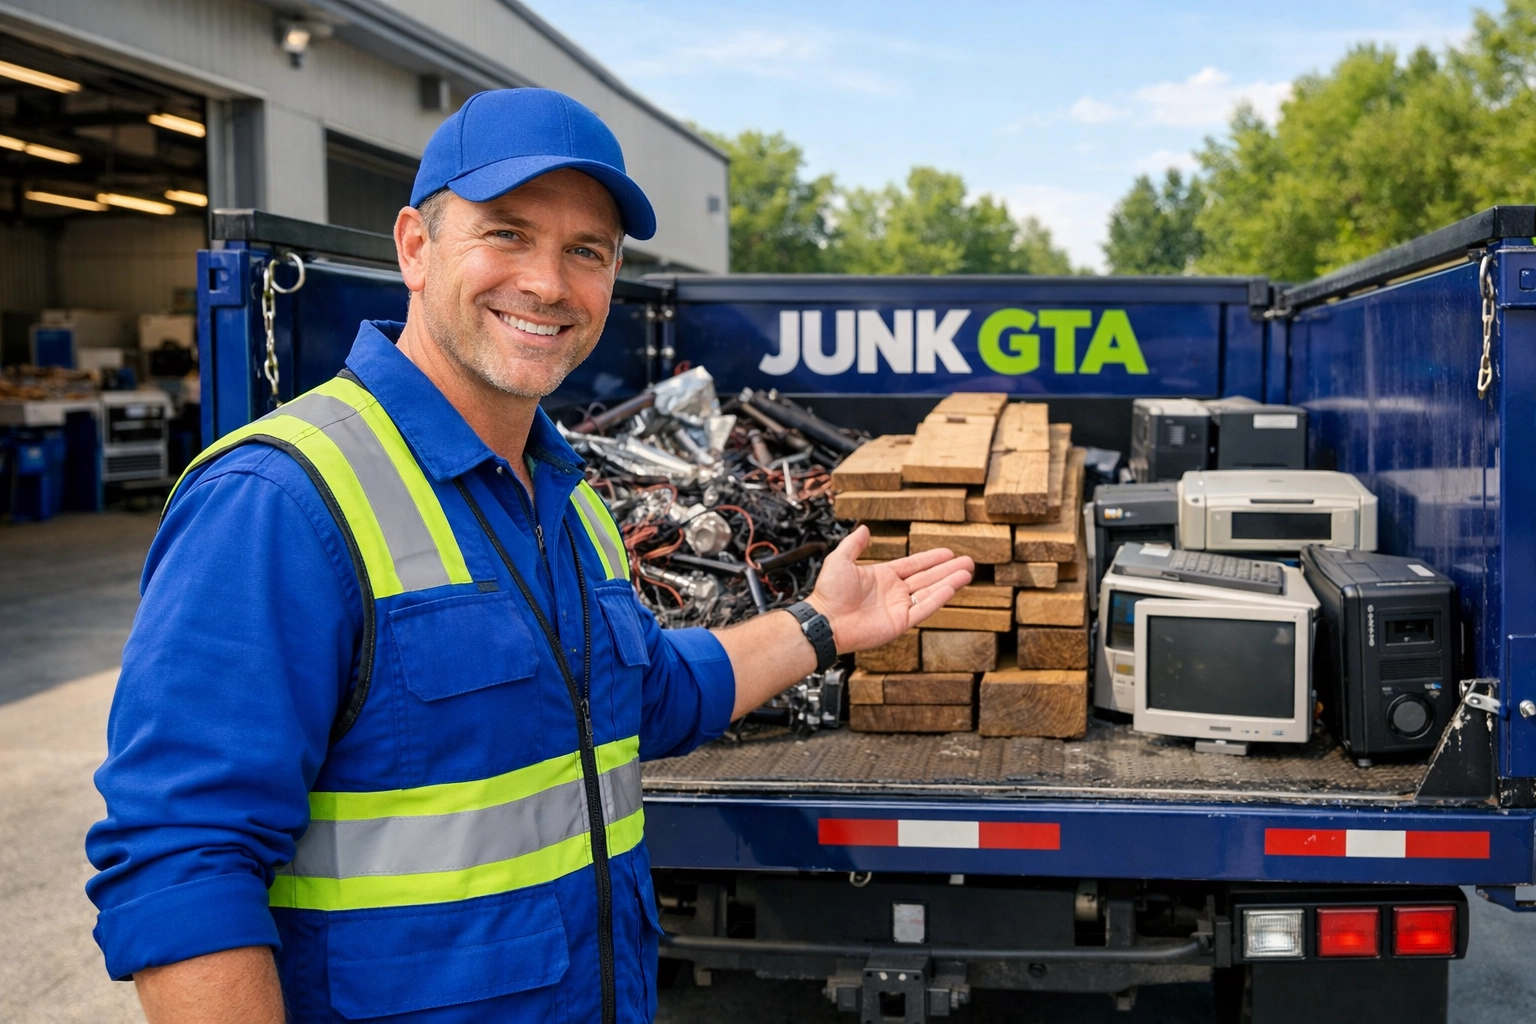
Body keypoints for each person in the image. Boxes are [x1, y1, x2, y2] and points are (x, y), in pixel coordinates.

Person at [85, 88, 974, 1024]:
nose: (549, 283)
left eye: (585, 251)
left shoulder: (565, 495)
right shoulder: (280, 503)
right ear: (416, 249)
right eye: (506, 233)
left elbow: (648, 694)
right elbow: (183, 862)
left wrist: (824, 623)